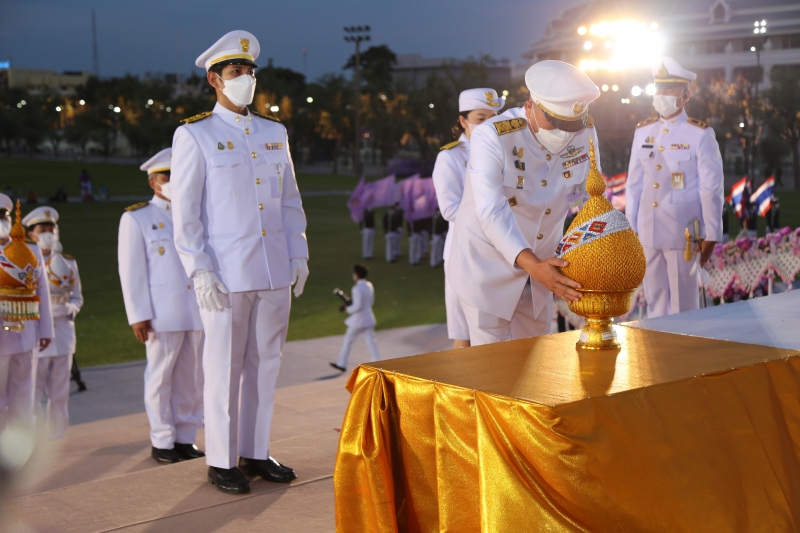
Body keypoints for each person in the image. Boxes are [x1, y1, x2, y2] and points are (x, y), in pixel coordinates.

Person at [171, 30, 309, 494]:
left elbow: (289, 201)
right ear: (214, 79)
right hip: (225, 275)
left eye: (250, 72)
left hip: (272, 270)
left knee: (266, 364)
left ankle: (255, 450)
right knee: (224, 367)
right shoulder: (195, 134)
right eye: (235, 72)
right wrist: (199, 268)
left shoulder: (274, 133)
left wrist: (299, 253)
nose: (246, 79)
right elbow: (185, 213)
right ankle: (221, 460)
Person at [446, 61, 601, 346]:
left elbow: (591, 197)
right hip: (487, 264)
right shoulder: (493, 135)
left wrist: (594, 251)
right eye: (554, 122)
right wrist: (534, 265)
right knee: (493, 365)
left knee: (536, 357)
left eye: (570, 125)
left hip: (543, 267)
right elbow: (491, 210)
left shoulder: (584, 130)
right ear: (531, 106)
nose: (564, 133)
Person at [118, 148, 206, 465]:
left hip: (196, 310)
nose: (174, 181)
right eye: (167, 176)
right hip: (161, 314)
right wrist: (138, 315)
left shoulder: (195, 214)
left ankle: (185, 437)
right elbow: (131, 271)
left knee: (192, 378)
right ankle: (162, 440)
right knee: (160, 378)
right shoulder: (137, 218)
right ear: (154, 182)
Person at [626, 57, 724, 318]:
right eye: (658, 89)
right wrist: (630, 229)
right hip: (648, 231)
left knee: (684, 307)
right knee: (655, 303)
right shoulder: (643, 132)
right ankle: (660, 354)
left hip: (684, 235)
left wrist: (712, 233)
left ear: (686, 95)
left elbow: (711, 189)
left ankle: (685, 357)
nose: (662, 95)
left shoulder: (700, 134)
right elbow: (634, 185)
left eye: (669, 90)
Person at [433, 88, 503, 349]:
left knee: (497, 334)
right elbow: (449, 209)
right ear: (463, 121)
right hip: (464, 253)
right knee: (464, 335)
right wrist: (492, 210)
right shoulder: (450, 156)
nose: (489, 124)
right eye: (480, 118)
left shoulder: (504, 153)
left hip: (500, 252)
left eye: (494, 117)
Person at [23, 207, 83, 440]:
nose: (49, 234)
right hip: (37, 336)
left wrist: (69, 309)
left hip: (64, 334)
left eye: (52, 230)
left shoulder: (68, 262)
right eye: (43, 230)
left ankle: (57, 436)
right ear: (32, 235)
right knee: (32, 393)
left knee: (60, 392)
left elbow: (77, 297)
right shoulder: (26, 263)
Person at [0, 195, 53, 432]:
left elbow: (43, 291)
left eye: (4, 216)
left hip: (26, 334)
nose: (2, 221)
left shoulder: (30, 249)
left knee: (24, 399)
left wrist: (46, 330)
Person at [330, 264, 380, 371]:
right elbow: (371, 301)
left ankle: (342, 363)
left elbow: (357, 306)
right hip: (368, 318)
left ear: (356, 275)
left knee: (348, 341)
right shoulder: (369, 285)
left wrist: (348, 308)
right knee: (372, 343)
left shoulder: (356, 288)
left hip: (358, 320)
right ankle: (378, 364)